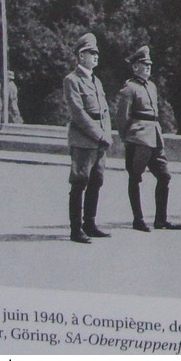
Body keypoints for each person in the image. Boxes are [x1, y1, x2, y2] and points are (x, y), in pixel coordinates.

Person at [113, 44, 181, 231]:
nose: (149, 67)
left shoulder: (151, 86)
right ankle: (138, 219)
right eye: (144, 64)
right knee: (135, 177)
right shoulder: (129, 88)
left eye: (150, 64)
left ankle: (161, 219)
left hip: (155, 136)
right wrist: (126, 137)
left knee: (164, 176)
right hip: (138, 137)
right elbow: (121, 117)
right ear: (135, 67)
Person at [62, 33, 112, 244]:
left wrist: (107, 134)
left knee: (96, 181)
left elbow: (104, 111)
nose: (96, 56)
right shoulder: (72, 80)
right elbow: (78, 113)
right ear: (81, 55)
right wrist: (99, 135)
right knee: (80, 181)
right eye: (92, 53)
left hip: (99, 141)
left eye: (97, 53)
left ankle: (90, 224)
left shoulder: (96, 81)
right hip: (83, 139)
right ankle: (76, 229)